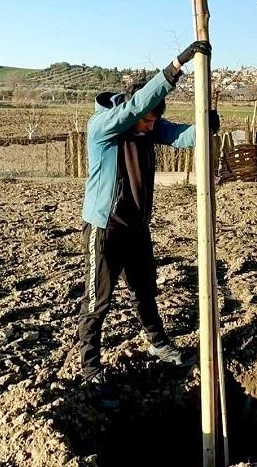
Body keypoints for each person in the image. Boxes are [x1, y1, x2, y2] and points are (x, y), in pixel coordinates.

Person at [77, 41, 219, 402]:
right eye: (147, 119)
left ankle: (158, 342)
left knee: (145, 291)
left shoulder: (148, 126)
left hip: (136, 227)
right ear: (131, 111)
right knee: (98, 301)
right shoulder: (104, 127)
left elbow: (181, 136)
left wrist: (206, 123)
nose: (151, 125)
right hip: (105, 228)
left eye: (155, 120)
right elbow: (139, 105)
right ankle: (91, 369)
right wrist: (175, 66)